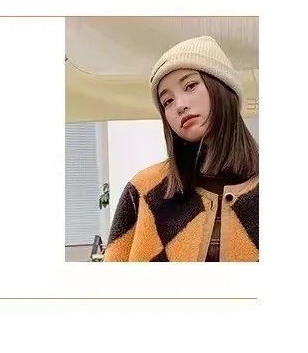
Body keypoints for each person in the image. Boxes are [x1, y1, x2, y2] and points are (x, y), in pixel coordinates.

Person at [104, 35, 258, 262]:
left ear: (224, 87)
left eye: (190, 86)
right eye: (167, 101)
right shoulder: (144, 190)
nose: (180, 105)